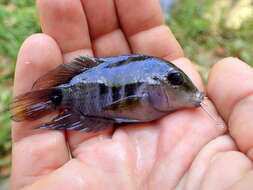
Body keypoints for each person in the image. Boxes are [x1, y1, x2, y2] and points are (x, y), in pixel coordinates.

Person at [11, 0, 253, 189]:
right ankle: (44, 101)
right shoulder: (148, 88)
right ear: (154, 85)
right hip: (77, 91)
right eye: (176, 80)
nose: (185, 89)